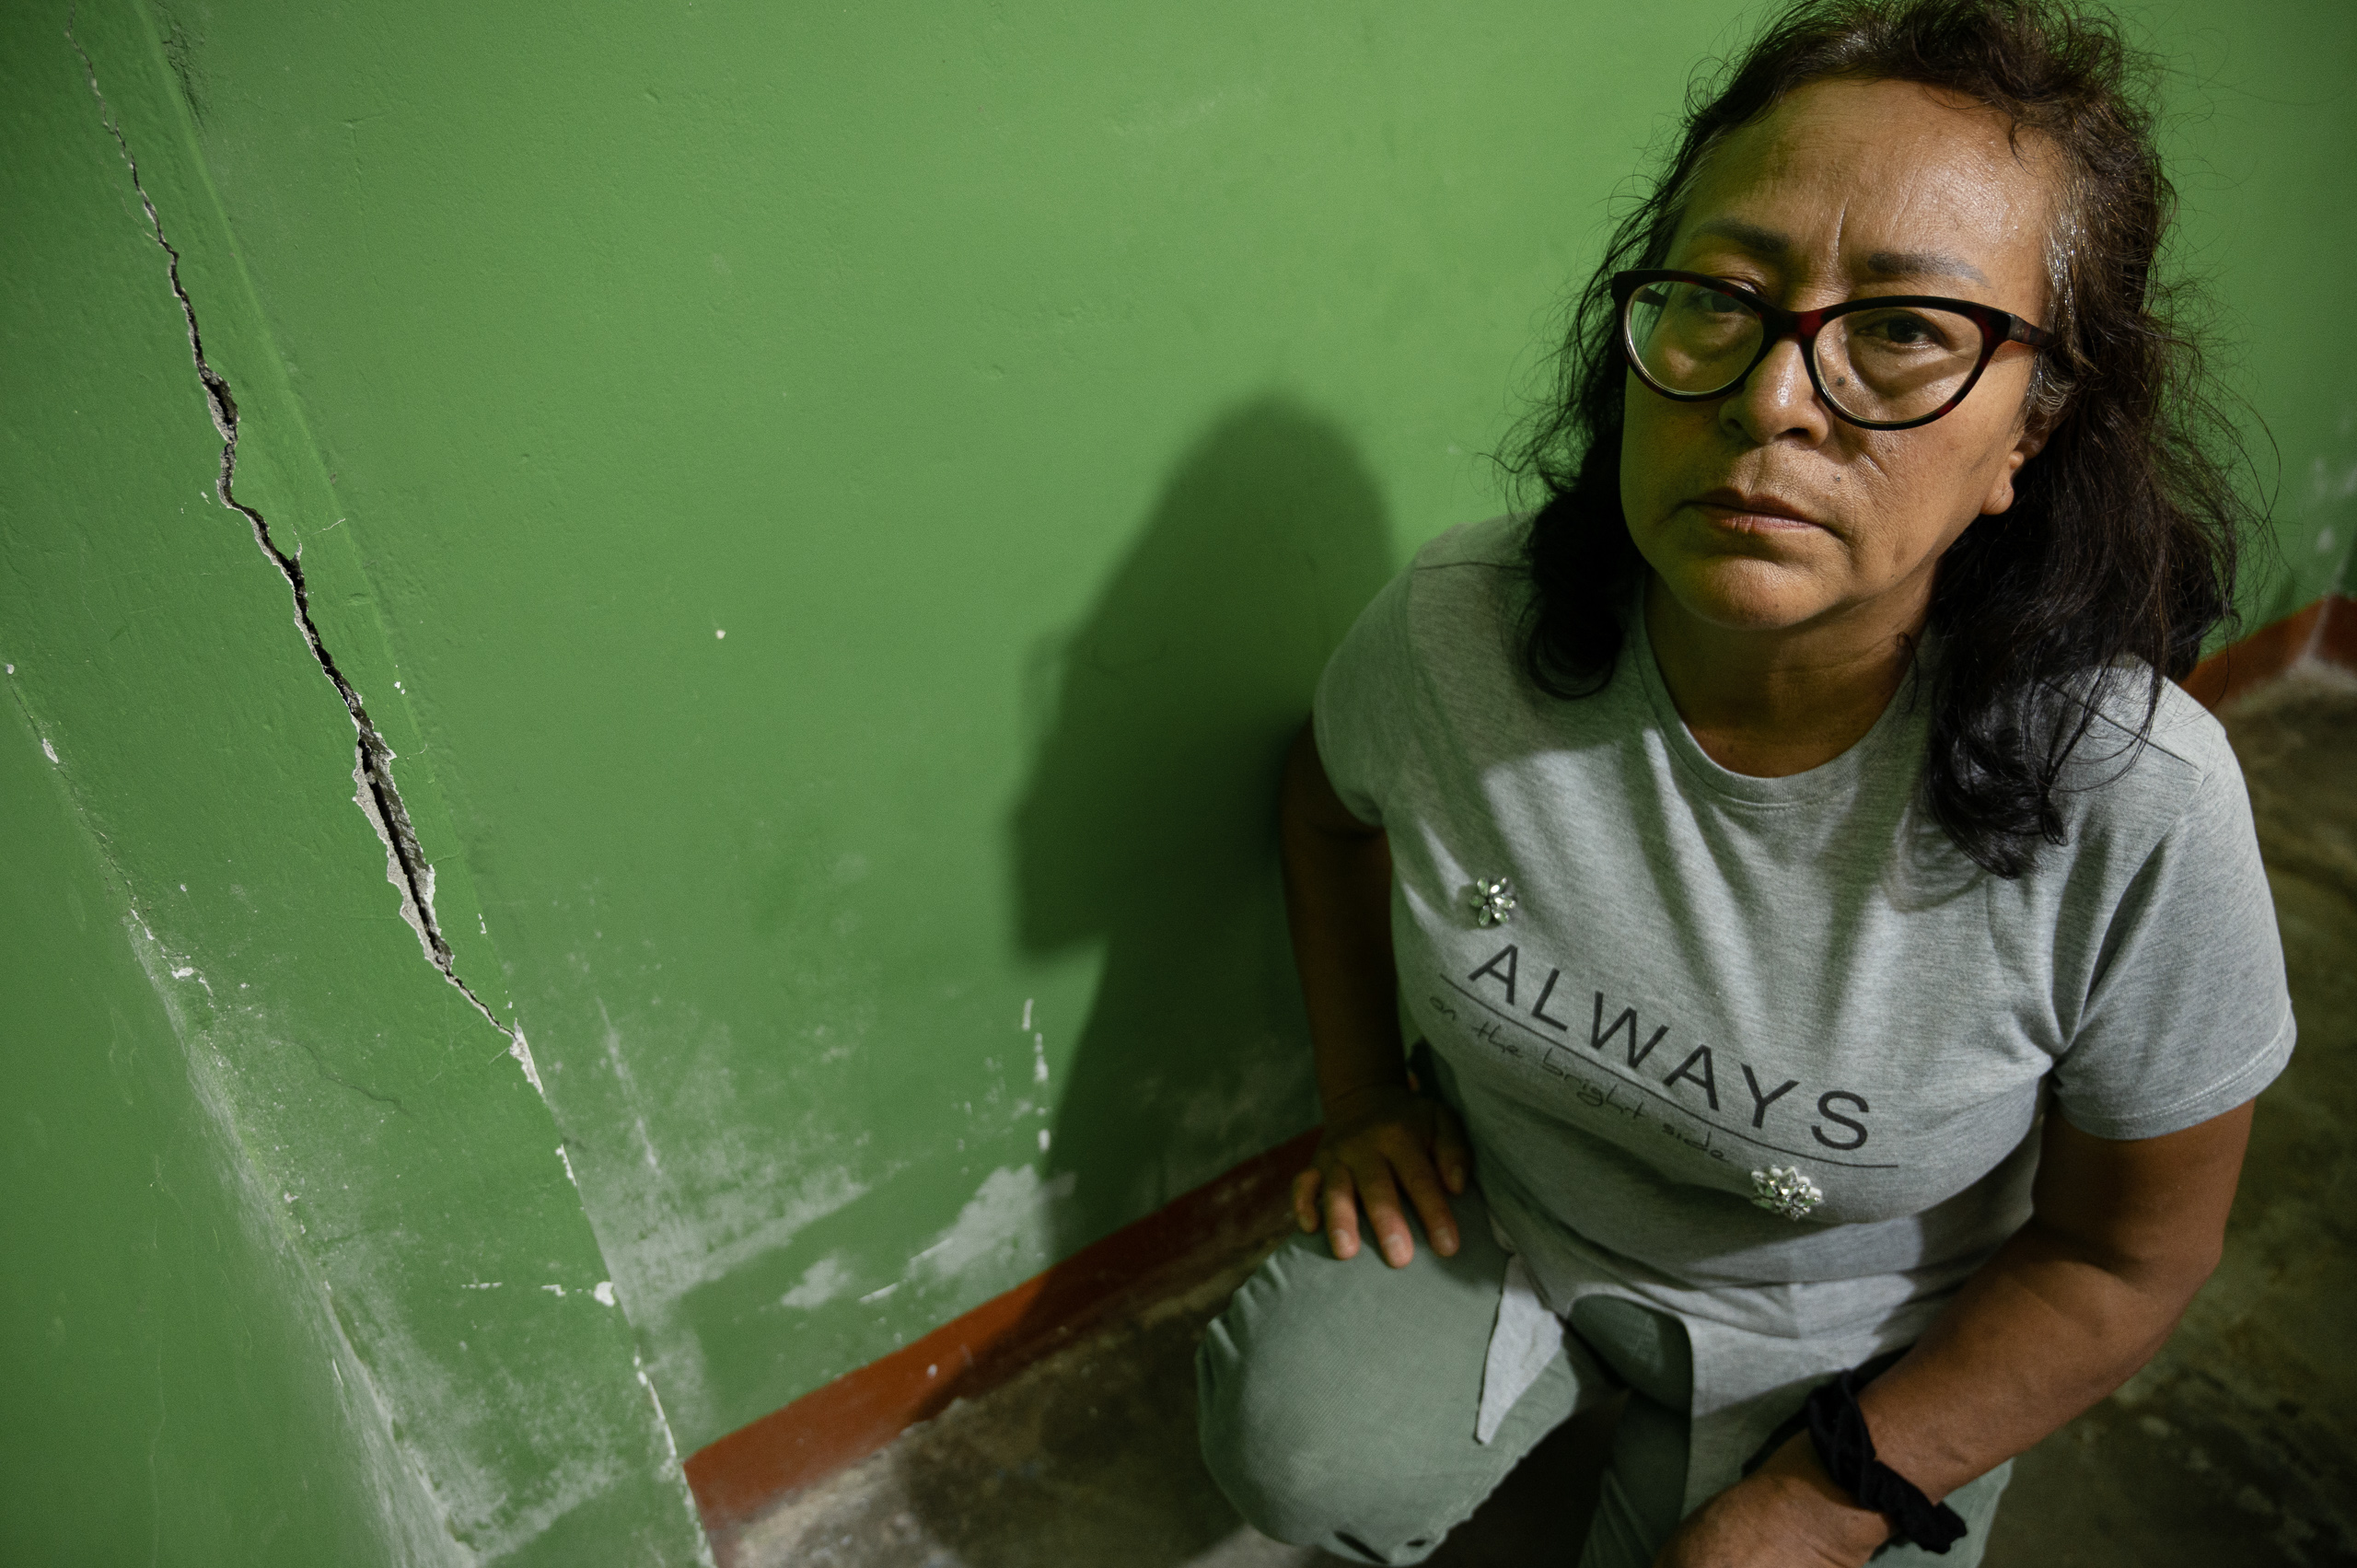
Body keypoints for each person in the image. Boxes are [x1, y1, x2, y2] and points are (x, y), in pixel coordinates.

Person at [1194, 3, 2293, 1565]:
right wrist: (1366, 1098)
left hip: (1867, 1341)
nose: (1771, 399)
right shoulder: (1462, 630)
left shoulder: (2136, 802)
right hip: (1524, 1224)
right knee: (1302, 1445)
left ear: (2031, 434)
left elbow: (2125, 1261)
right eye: (1720, 295)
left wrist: (1818, 1500)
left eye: (1908, 330)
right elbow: (1324, 807)